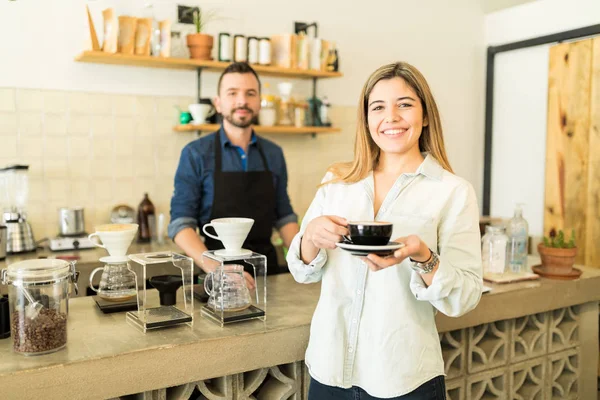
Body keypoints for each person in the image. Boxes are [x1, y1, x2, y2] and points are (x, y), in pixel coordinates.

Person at [286, 62, 483, 399]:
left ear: (425, 117)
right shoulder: (337, 182)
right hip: (329, 371)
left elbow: (465, 296)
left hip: (404, 377)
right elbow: (301, 271)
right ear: (366, 120)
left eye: (404, 104)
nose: (390, 117)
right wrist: (310, 238)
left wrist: (423, 257)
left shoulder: (452, 191)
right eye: (378, 107)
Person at [169, 62, 299, 280]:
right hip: (215, 277)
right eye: (232, 93)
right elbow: (180, 224)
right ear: (218, 104)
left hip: (267, 276)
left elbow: (284, 216)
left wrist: (305, 260)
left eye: (250, 94)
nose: (242, 101)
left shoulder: (274, 154)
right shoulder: (195, 154)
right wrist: (216, 268)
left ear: (258, 102)